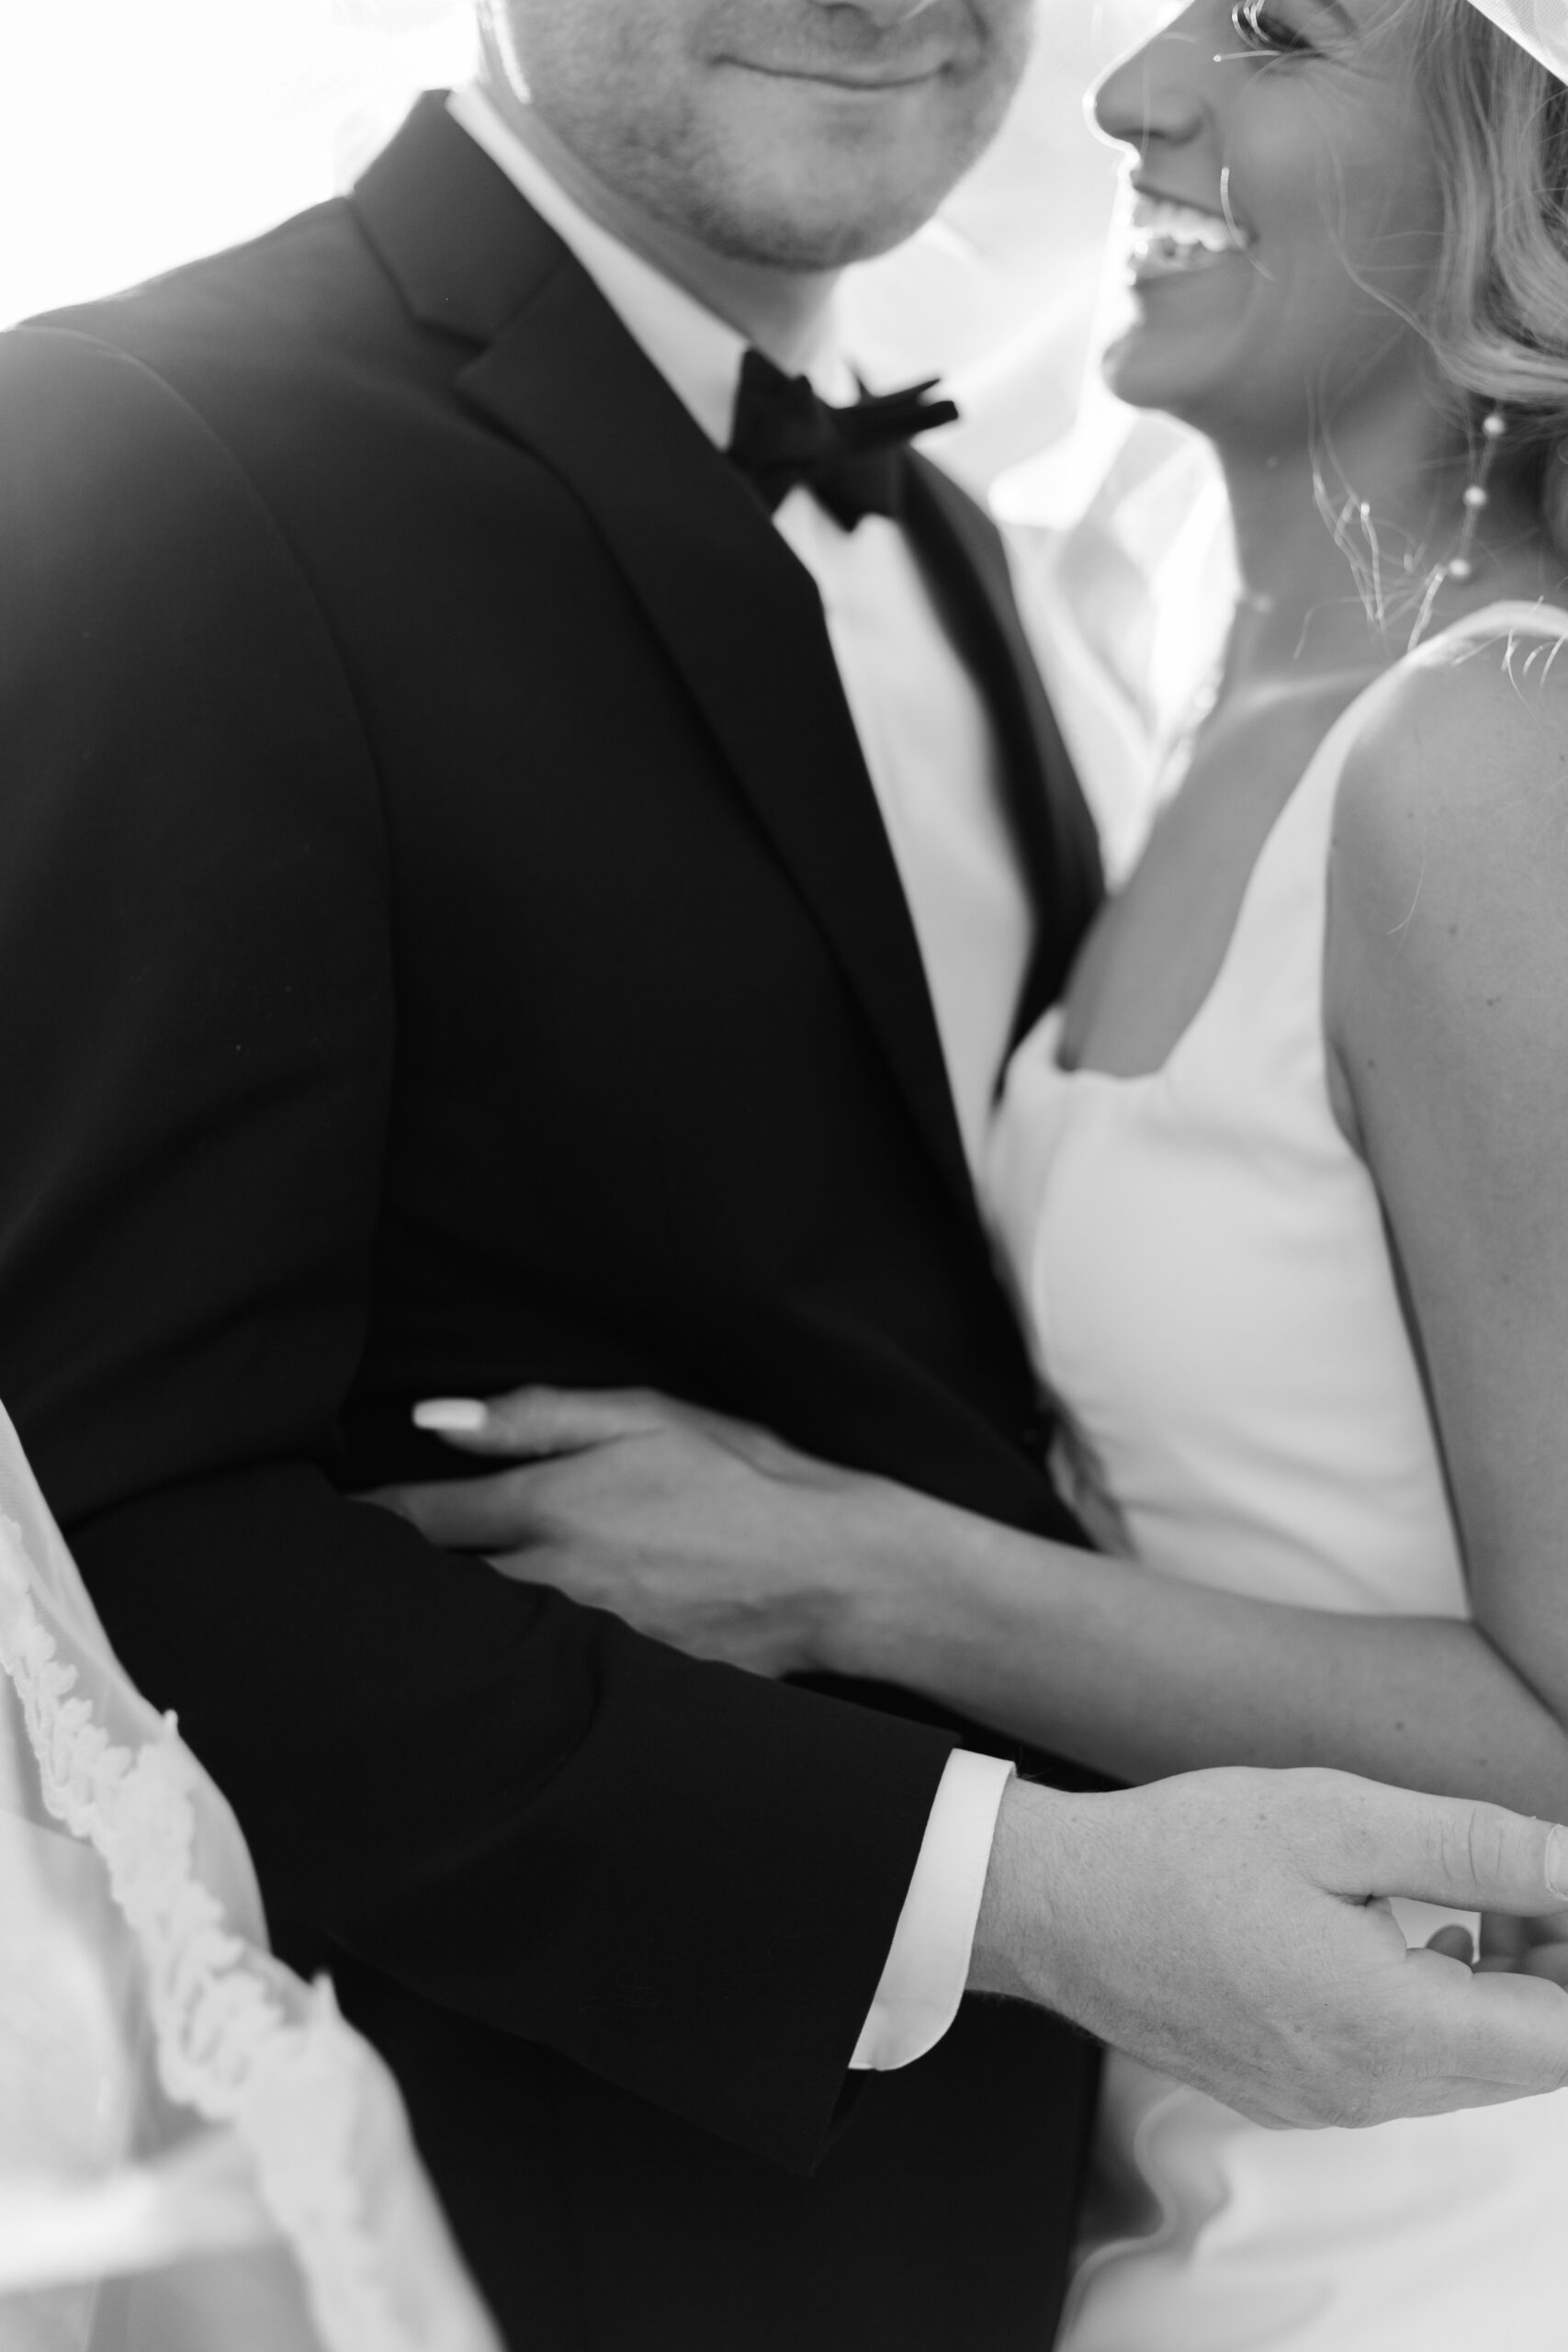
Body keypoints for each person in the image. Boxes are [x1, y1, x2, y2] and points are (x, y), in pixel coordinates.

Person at [4, 3, 1568, 2347]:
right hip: (547, 2238)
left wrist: (874, 1584)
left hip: (1271, 2183)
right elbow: (90, 1542)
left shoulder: (984, 575)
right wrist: (991, 1888)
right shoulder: (145, 452)